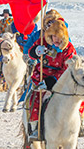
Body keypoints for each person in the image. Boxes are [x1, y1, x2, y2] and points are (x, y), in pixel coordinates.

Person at [25, 10, 76, 141]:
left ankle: (77, 124)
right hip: (41, 75)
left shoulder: (68, 47)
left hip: (60, 79)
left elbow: (67, 68)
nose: (56, 39)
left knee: (77, 97)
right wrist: (36, 52)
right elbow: (30, 52)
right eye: (48, 24)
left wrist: (52, 81)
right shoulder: (42, 41)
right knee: (34, 99)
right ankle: (35, 127)